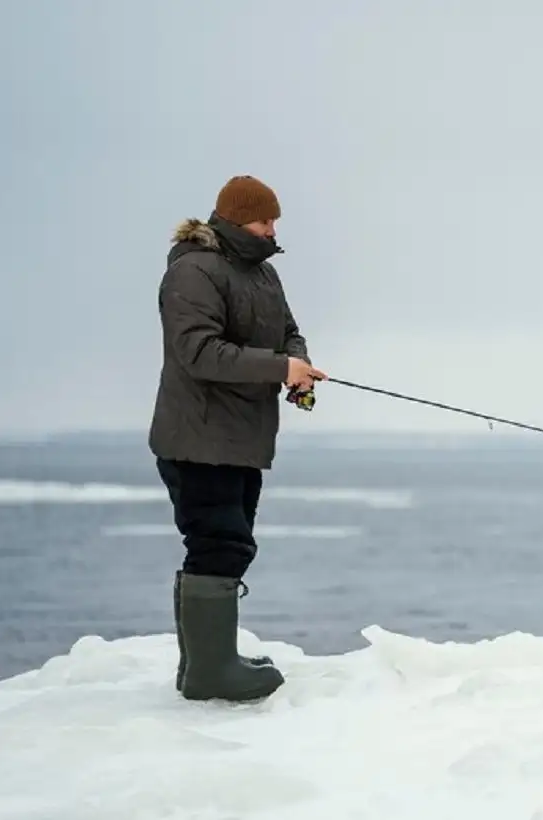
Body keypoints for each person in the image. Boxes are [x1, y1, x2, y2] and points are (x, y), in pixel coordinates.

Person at [148, 174, 326, 703]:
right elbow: (199, 353)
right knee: (219, 545)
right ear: (232, 219)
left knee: (227, 543)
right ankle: (210, 674)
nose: (272, 230)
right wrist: (278, 367)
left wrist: (297, 364)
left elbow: (289, 332)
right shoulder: (193, 272)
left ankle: (203, 663)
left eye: (274, 221)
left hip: (241, 438)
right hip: (198, 439)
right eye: (264, 220)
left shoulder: (263, 274)